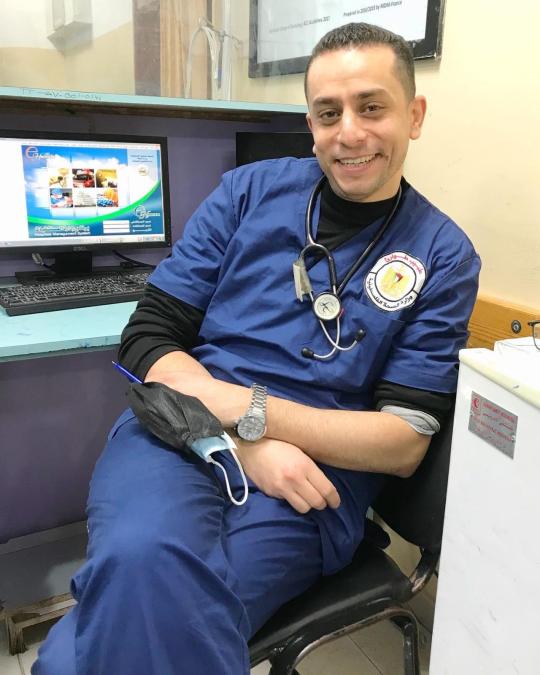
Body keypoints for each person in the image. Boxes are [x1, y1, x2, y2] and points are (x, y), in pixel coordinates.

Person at [34, 22, 480, 675]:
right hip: (177, 440)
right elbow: (148, 336)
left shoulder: (443, 255)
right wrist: (240, 439)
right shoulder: (247, 194)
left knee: (108, 639)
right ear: (310, 124)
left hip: (308, 488)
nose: (349, 132)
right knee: (139, 558)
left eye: (371, 107)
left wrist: (248, 410)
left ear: (414, 115)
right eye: (328, 113)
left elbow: (403, 443)